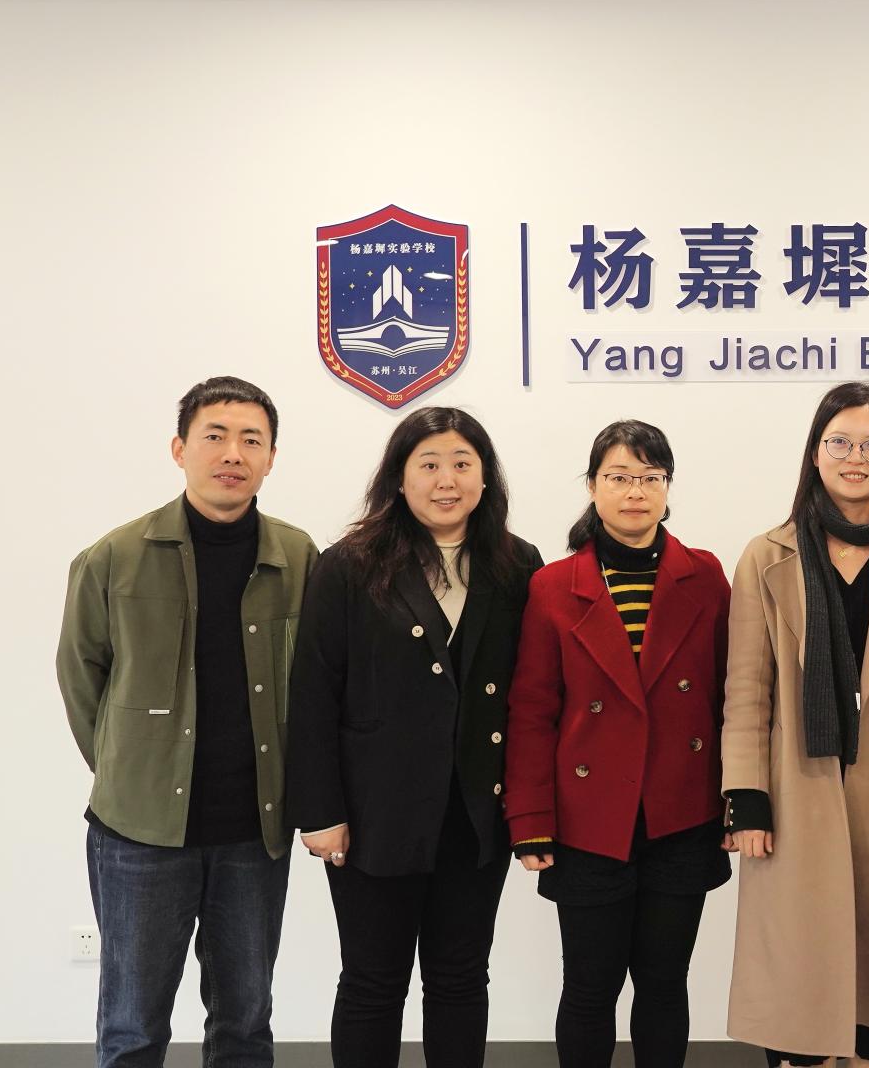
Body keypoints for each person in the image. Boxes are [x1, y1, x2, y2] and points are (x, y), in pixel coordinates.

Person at [57, 376, 319, 1068]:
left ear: (271, 458)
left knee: (245, 1023)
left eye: (251, 440)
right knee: (133, 1025)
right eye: (215, 436)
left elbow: (320, 685)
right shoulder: (114, 557)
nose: (233, 453)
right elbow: (81, 676)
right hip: (139, 834)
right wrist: (132, 765)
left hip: (253, 833)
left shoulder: (299, 558)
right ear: (179, 449)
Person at [286, 406, 542, 1067]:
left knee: (461, 978)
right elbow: (312, 695)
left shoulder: (518, 564)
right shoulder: (349, 565)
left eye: (462, 463)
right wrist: (321, 812)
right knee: (373, 982)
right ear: (399, 478)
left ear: (486, 477)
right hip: (375, 814)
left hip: (475, 813)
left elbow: (533, 696)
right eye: (428, 464)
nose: (446, 480)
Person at [722, 381, 869, 1067]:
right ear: (815, 453)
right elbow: (747, 689)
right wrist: (746, 797)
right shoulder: (768, 555)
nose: (856, 458)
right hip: (796, 791)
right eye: (841, 443)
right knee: (798, 989)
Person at [504, 419, 732, 1068]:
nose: (636, 492)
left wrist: (737, 800)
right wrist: (530, 819)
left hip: (681, 814)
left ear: (668, 486)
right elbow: (532, 711)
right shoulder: (554, 585)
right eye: (620, 477)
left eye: (650, 478)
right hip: (587, 822)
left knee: (663, 984)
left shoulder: (705, 576)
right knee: (589, 987)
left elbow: (731, 698)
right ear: (592, 486)